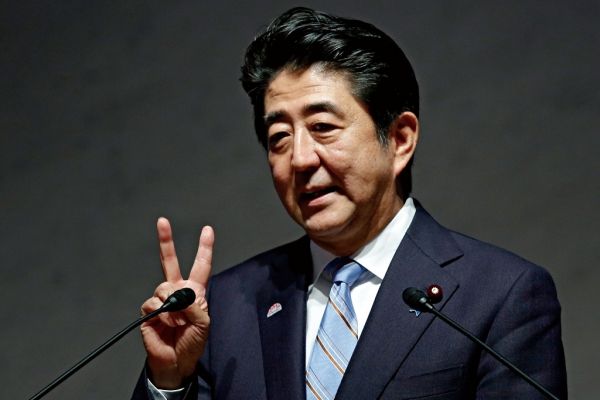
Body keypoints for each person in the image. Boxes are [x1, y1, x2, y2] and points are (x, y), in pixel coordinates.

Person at [132, 7, 567, 400]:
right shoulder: (226, 306)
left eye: (323, 126)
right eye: (279, 137)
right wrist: (169, 381)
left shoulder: (500, 294)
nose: (300, 159)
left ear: (399, 139)